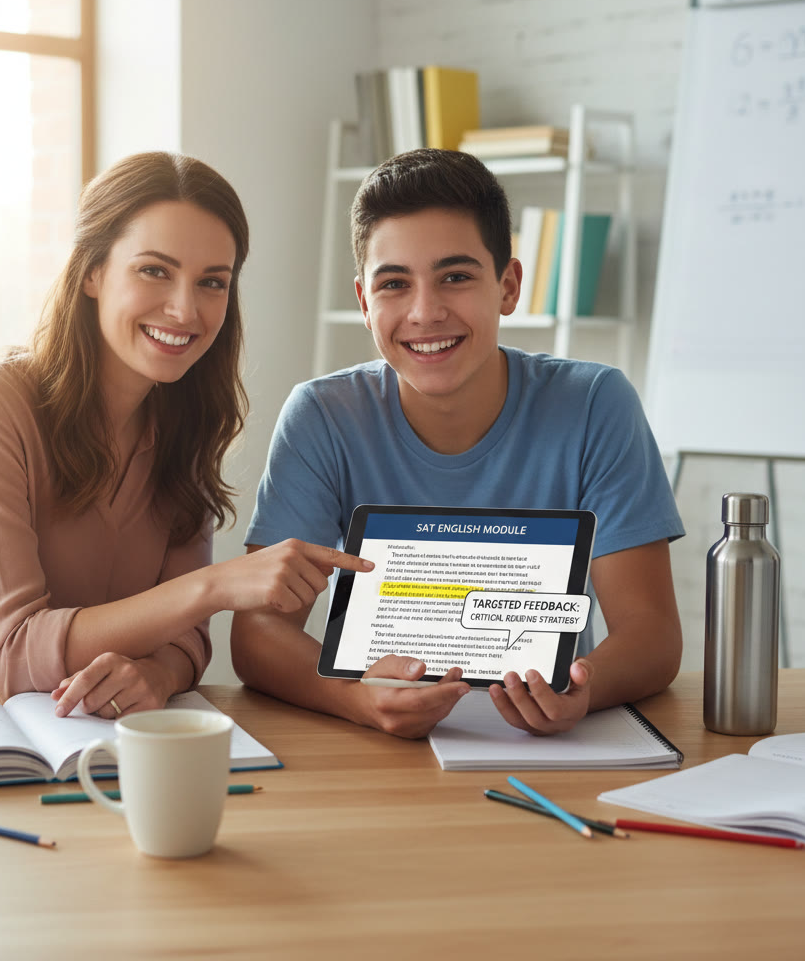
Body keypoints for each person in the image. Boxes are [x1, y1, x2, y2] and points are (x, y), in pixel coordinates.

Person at [0, 152, 371, 718]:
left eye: (212, 282)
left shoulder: (184, 427)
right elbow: (16, 656)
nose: (184, 308)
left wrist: (154, 672)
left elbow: (187, 641)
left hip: (67, 741)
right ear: (92, 271)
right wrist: (216, 586)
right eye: (154, 270)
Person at [231, 148, 684, 739]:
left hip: (548, 750)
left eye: (456, 276)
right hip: (375, 755)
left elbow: (651, 634)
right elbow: (259, 632)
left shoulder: (596, 403)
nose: (425, 311)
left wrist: (581, 689)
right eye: (395, 284)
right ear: (365, 304)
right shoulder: (321, 416)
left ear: (508, 285)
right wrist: (356, 699)